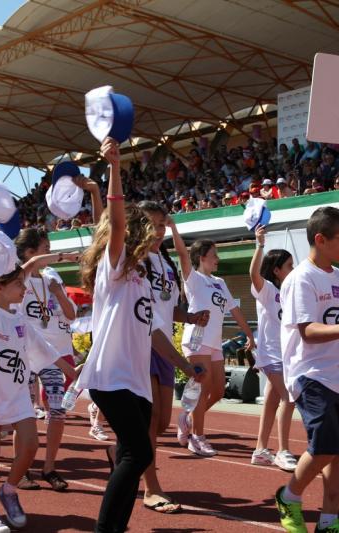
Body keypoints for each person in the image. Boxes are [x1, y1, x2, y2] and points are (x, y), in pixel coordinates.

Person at [77, 137, 205, 533]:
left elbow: (155, 334)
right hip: (109, 377)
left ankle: (115, 524)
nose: (156, 235)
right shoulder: (114, 270)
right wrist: (114, 168)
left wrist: (185, 366)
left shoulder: (145, 280)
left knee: (138, 450)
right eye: (148, 230)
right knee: (136, 452)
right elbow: (114, 221)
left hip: (135, 383)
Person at [0, 257, 77, 533]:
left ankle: (9, 490)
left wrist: (73, 372)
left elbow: (45, 350)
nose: (23, 289)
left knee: (30, 445)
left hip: (16, 395)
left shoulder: (20, 319)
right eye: (17, 284)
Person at [274, 206, 339, 533]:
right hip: (310, 373)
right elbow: (307, 330)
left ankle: (329, 521)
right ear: (320, 239)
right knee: (325, 446)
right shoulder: (301, 278)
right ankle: (289, 495)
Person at [138, 200, 209, 514]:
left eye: (161, 224)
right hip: (142, 344)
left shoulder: (164, 263)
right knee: (150, 421)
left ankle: (125, 452)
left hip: (165, 345)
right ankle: (151, 489)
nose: (156, 231)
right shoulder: (134, 261)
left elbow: (168, 307)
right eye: (150, 223)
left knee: (164, 421)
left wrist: (191, 318)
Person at [13, 228, 79, 491]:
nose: (49, 253)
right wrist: (65, 256)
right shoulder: (20, 277)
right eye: (45, 248)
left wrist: (59, 293)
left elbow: (72, 314)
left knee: (57, 411)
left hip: (55, 354)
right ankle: (22, 468)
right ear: (29, 254)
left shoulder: (51, 276)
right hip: (27, 355)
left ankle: (49, 467)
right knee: (25, 413)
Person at [177, 239, 255, 457]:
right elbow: (183, 255)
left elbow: (234, 310)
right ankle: (197, 437)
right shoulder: (193, 278)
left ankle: (190, 418)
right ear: (201, 257)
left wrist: (249, 333)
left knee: (219, 390)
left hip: (214, 343)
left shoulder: (219, 281)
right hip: (197, 340)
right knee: (202, 390)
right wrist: (173, 229)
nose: (217, 258)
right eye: (214, 254)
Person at [249, 226, 296, 472]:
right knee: (290, 398)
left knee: (272, 401)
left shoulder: (290, 292)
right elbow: (253, 273)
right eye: (289, 265)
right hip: (271, 354)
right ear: (276, 270)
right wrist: (259, 244)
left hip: (286, 355)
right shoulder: (268, 290)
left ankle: (260, 449)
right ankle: (283, 450)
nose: (293, 269)